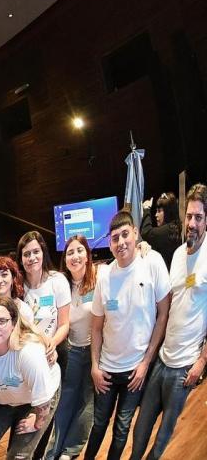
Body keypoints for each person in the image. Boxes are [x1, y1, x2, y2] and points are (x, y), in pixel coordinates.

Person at [84, 211, 171, 460]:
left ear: (135, 233)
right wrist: (95, 367)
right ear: (109, 243)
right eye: (115, 238)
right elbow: (96, 327)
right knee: (99, 424)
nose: (121, 242)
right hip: (106, 371)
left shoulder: (152, 262)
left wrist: (145, 363)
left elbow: (163, 314)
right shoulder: (104, 276)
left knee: (122, 429)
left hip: (135, 371)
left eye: (125, 235)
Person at [130, 185, 207, 460]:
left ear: (206, 220)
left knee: (163, 436)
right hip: (163, 359)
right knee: (140, 429)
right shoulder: (177, 255)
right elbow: (168, 302)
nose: (192, 223)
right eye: (189, 216)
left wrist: (201, 362)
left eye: (199, 217)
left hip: (184, 367)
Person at [0, 297, 61, 460]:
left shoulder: (28, 352)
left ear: (14, 324)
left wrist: (37, 422)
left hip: (37, 401)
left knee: (18, 457)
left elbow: (44, 402)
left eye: (1, 322)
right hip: (2, 400)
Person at [44, 236, 100, 460]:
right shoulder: (62, 285)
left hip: (96, 352)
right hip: (73, 350)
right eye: (70, 253)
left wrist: (143, 247)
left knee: (87, 402)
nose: (75, 256)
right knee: (65, 401)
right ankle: (52, 452)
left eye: (79, 251)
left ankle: (70, 451)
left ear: (87, 255)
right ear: (65, 260)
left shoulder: (100, 277)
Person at [18, 232, 70, 363]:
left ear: (43, 253)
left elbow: (64, 324)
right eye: (26, 254)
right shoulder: (17, 286)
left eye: (36, 252)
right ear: (20, 259)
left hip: (55, 350)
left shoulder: (58, 280)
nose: (32, 258)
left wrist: (52, 343)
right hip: (27, 355)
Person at [140, 193, 181, 257]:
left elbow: (146, 232)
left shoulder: (169, 230)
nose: (156, 215)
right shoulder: (174, 228)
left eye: (159, 211)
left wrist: (146, 209)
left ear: (168, 212)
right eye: (156, 211)